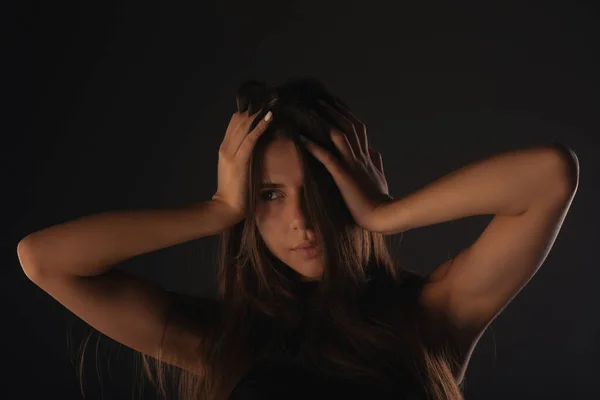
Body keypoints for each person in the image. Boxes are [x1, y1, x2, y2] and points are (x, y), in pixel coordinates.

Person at [17, 77, 578, 400]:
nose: (302, 221)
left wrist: (385, 214)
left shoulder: (432, 313)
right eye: (269, 195)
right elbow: (44, 259)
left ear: (350, 185)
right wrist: (218, 210)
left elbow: (549, 175)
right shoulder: (222, 337)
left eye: (319, 189)